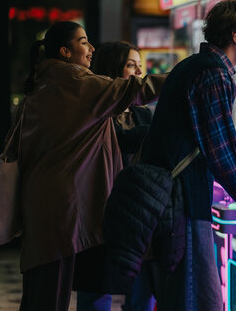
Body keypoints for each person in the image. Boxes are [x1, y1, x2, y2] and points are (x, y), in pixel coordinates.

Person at [140, 0, 236, 310]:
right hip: (184, 202)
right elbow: (221, 150)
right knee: (193, 297)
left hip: (171, 199)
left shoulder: (192, 66)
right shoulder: (213, 75)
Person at [13, 21, 167, 311]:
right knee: (57, 292)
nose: (91, 47)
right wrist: (186, 74)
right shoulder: (75, 83)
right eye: (84, 41)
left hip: (47, 201)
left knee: (44, 290)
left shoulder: (48, 83)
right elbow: (139, 90)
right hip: (63, 205)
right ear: (65, 51)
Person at [76, 41, 156, 311]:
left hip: (138, 215)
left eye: (140, 67)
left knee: (142, 294)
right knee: (96, 294)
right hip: (99, 212)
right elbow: (121, 143)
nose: (137, 73)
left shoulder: (143, 115)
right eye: (130, 65)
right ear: (112, 69)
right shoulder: (94, 117)